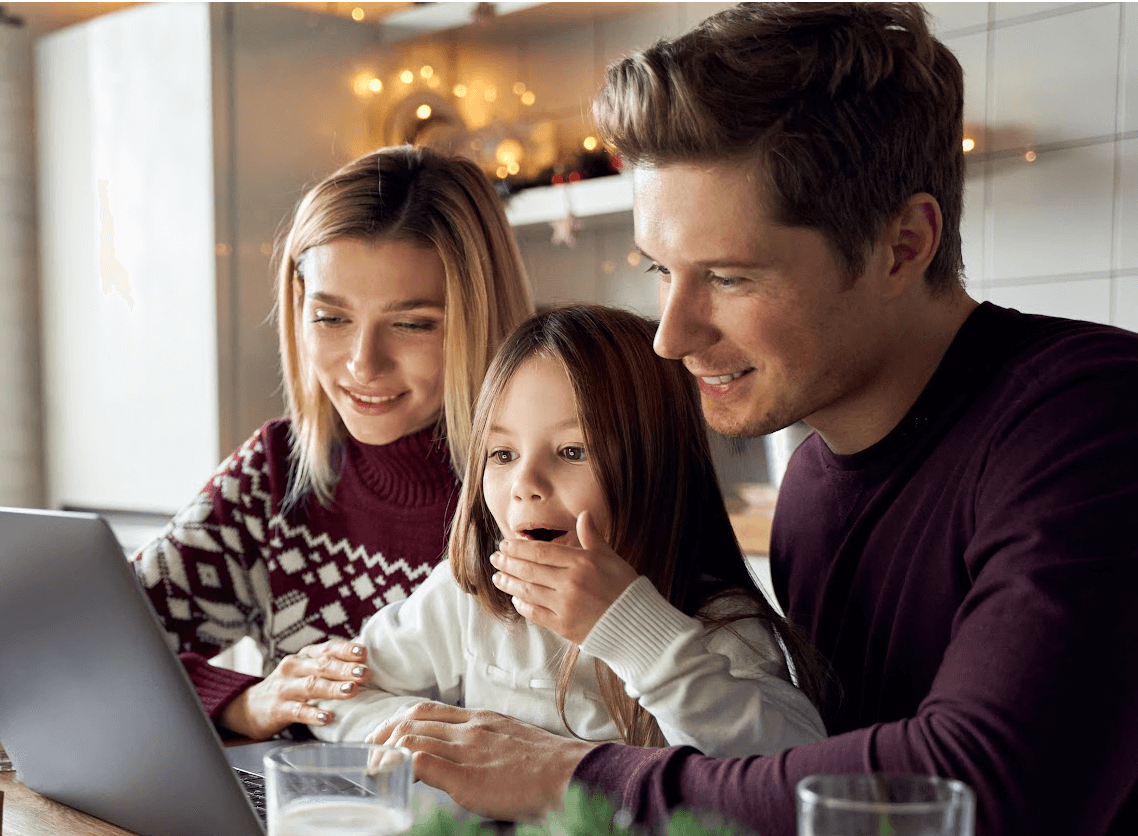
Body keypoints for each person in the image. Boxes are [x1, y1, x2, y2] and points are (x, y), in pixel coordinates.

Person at [362, 4, 1138, 835]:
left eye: (728, 277)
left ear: (903, 245)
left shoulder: (1094, 417)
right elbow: (807, 769)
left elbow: (985, 784)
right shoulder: (811, 487)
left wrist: (570, 778)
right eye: (661, 271)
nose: (671, 336)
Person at [131, 145, 533, 740]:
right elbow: (90, 640)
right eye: (331, 318)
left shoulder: (546, 491)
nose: (363, 364)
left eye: (412, 324)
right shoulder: (276, 472)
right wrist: (243, 703)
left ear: (483, 316)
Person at [310, 304, 827, 758]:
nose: (525, 485)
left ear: (659, 470)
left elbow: (792, 769)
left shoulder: (722, 625)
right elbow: (338, 695)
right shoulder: (473, 599)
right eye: (503, 454)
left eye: (572, 451)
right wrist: (443, 740)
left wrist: (634, 631)